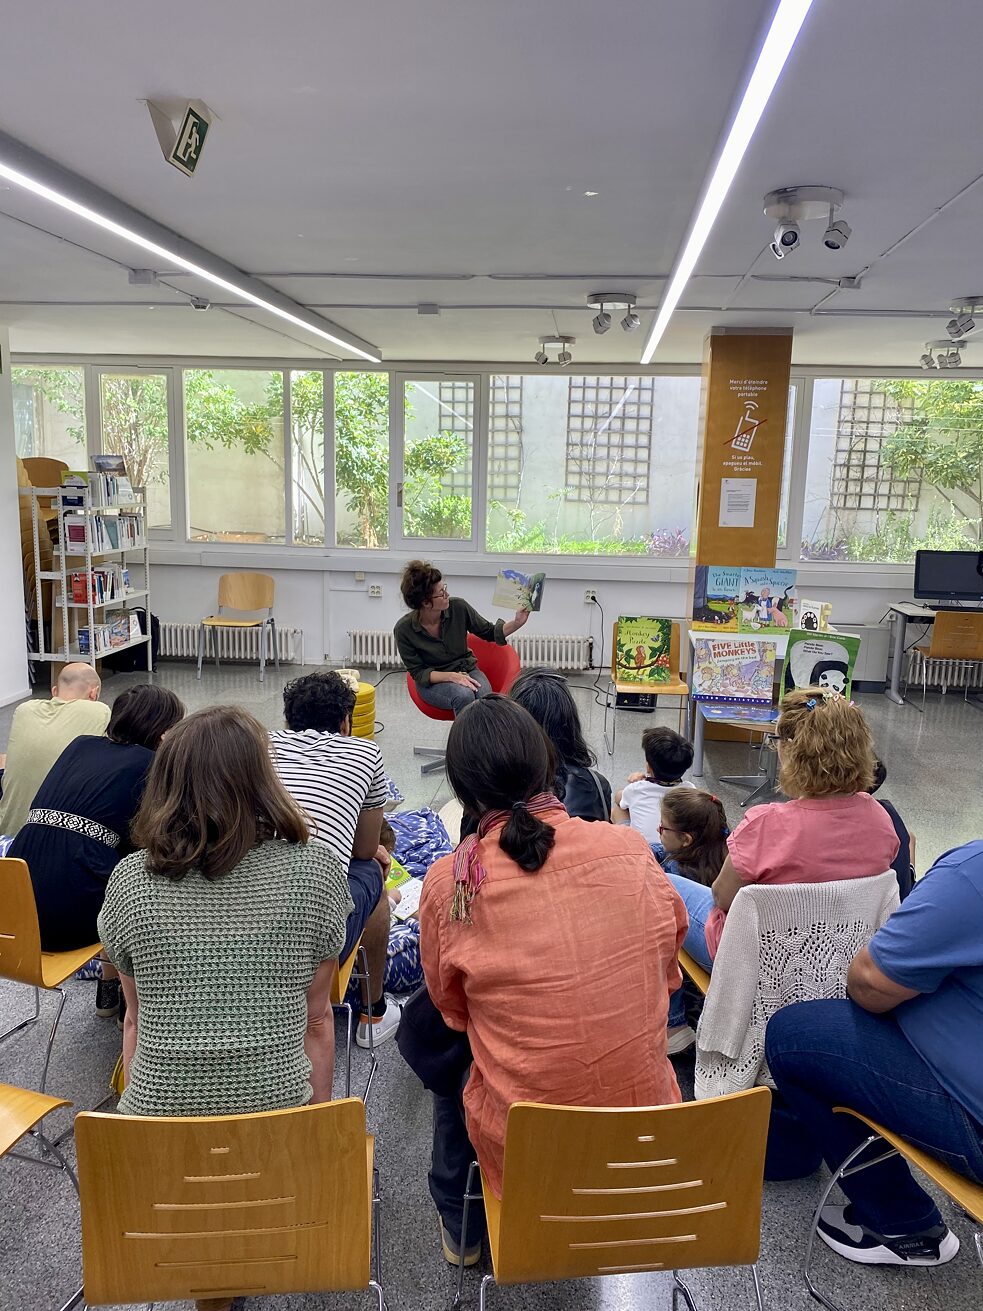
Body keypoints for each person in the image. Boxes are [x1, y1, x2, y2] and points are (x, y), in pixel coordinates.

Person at [419, 695, 687, 1265]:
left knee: (448, 1054)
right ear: (548, 765)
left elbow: (453, 1011)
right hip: (649, 1147)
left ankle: (464, 1224)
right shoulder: (630, 849)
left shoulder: (453, 882)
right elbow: (668, 977)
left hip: (530, 1159)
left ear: (465, 793)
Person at [765, 838, 983, 1268]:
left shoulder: (972, 872)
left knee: (795, 1034)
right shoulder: (885, 825)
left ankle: (903, 1223)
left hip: (973, 1126)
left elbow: (869, 984)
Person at [666, 689, 900, 972]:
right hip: (839, 957)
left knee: (664, 883)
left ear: (791, 749)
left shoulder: (765, 823)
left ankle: (675, 1005)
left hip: (754, 960)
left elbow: (722, 898)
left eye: (776, 740)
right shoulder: (880, 818)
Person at [9, 684, 184, 1019]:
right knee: (148, 877)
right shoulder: (151, 765)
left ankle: (108, 987)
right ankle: (132, 1003)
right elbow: (152, 845)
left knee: (98, 861)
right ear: (163, 732)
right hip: (68, 921)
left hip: (15, 916)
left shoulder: (79, 745)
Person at [269, 670, 400, 1045]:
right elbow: (362, 848)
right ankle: (372, 1015)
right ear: (346, 723)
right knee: (372, 868)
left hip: (244, 917)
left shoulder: (261, 744)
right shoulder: (366, 752)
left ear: (286, 720)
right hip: (317, 934)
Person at [650, 788, 730, 1054]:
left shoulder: (676, 873)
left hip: (701, 959)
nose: (658, 832)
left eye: (662, 828)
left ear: (685, 839)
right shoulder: (724, 853)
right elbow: (661, 848)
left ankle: (673, 1022)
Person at [394, 560, 529, 716]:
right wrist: (452, 677)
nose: (447, 594)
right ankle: (464, 740)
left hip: (467, 669)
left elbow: (490, 632)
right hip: (433, 681)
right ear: (425, 602)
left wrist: (518, 622)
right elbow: (419, 673)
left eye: (445, 588)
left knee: (487, 700)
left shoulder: (458, 607)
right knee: (463, 695)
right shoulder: (403, 630)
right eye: (441, 593)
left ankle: (484, 740)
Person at [0, 663, 110, 837]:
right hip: (55, 839)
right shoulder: (98, 711)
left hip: (8, 836)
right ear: (94, 693)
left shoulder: (24, 710)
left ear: (54, 691)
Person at [611, 725, 695, 842]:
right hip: (675, 849)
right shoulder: (690, 790)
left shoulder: (636, 789)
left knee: (618, 810)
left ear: (649, 767)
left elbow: (618, 797)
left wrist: (639, 783)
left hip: (642, 852)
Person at [868, 758, 915, 900]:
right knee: (910, 839)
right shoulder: (887, 815)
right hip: (889, 911)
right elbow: (903, 891)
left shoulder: (802, 820)